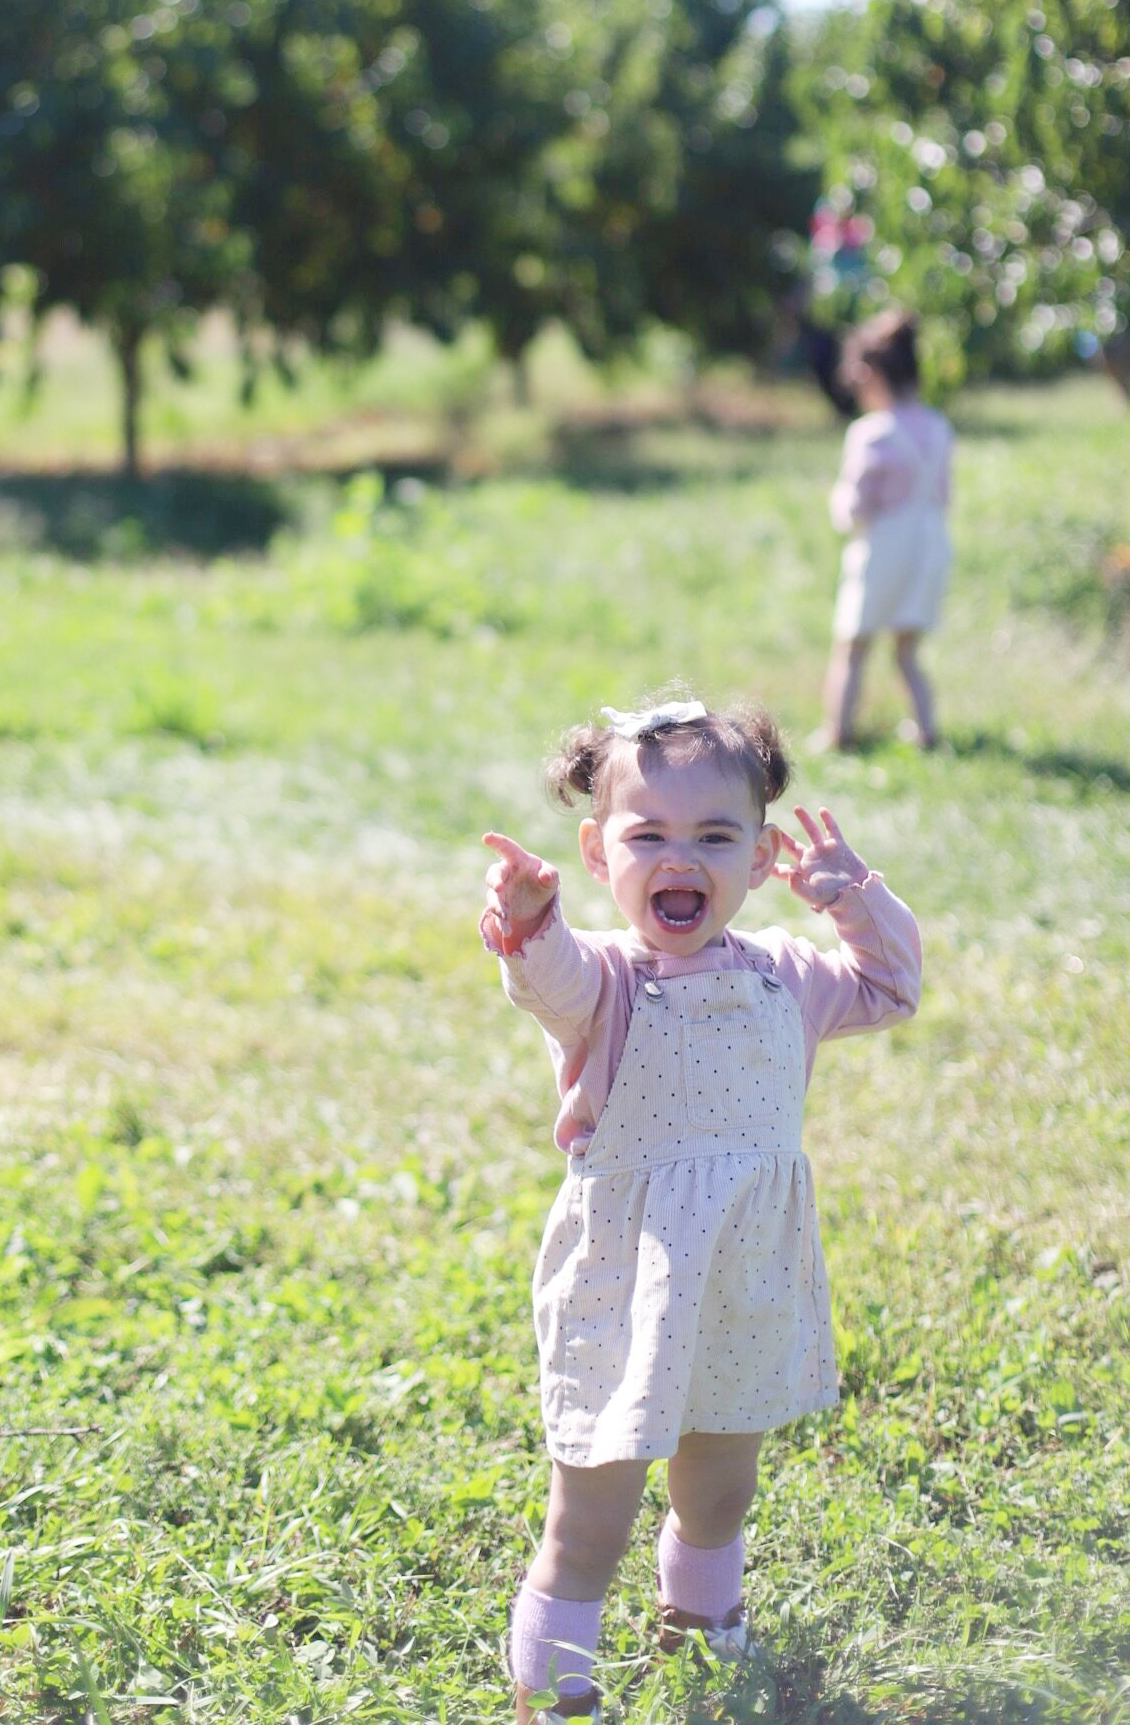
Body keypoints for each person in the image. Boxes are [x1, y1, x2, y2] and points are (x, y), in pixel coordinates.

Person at [479, 697, 921, 1720]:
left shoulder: (790, 974)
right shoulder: (605, 979)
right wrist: (526, 917)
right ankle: (558, 1692)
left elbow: (892, 988)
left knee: (720, 1487)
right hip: (626, 1281)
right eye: (649, 836)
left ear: (762, 856)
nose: (681, 858)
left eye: (714, 835)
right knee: (594, 1511)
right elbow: (540, 980)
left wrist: (853, 898)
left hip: (741, 1278)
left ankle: (701, 1625)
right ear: (599, 850)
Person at [822, 309, 954, 750]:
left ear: (871, 374)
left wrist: (839, 507)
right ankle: (927, 729)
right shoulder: (939, 427)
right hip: (930, 544)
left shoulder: (870, 433)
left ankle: (838, 731)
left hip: (884, 547)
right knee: (906, 651)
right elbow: (943, 495)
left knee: (853, 648)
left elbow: (855, 506)